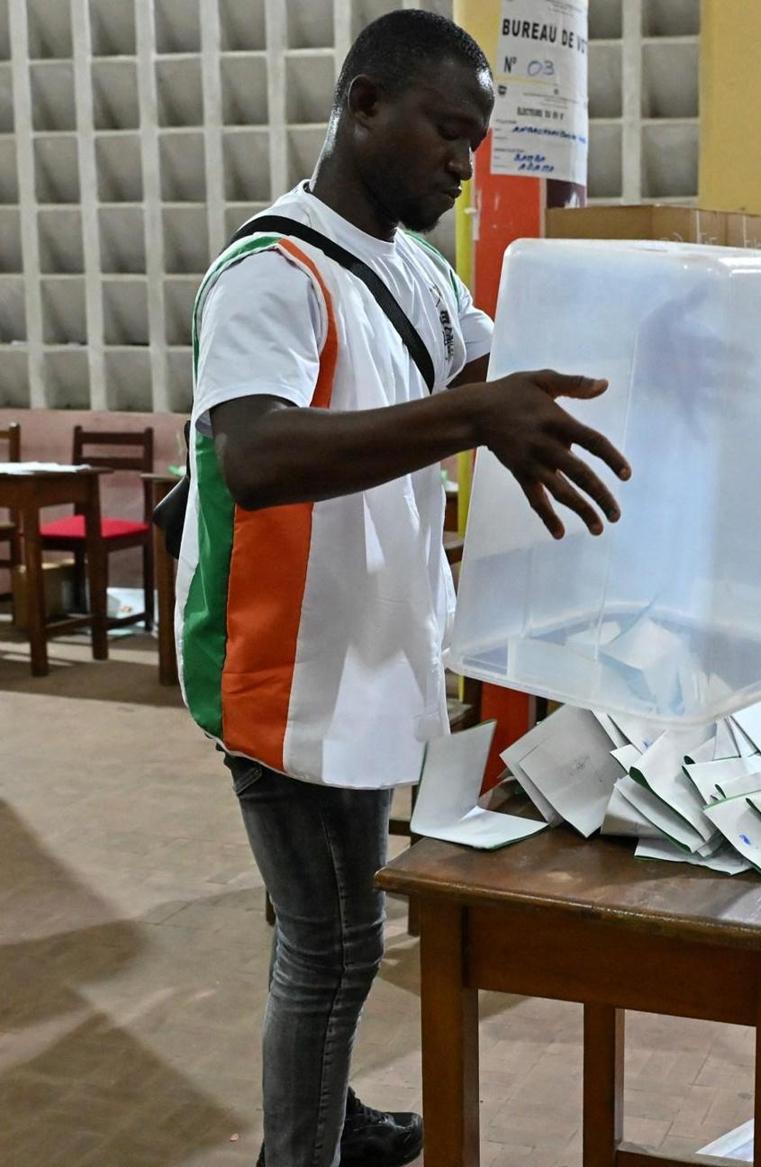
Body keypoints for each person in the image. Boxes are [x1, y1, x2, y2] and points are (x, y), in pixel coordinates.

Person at [173, 13, 630, 1167]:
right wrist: (473, 414)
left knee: (333, 925)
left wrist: (644, 355)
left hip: (369, 643)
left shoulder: (417, 274)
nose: (462, 163)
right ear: (365, 104)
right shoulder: (271, 273)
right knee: (332, 945)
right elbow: (257, 455)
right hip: (282, 660)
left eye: (476, 140)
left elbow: (493, 378)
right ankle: (299, 1151)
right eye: (447, 130)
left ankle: (329, 1117)